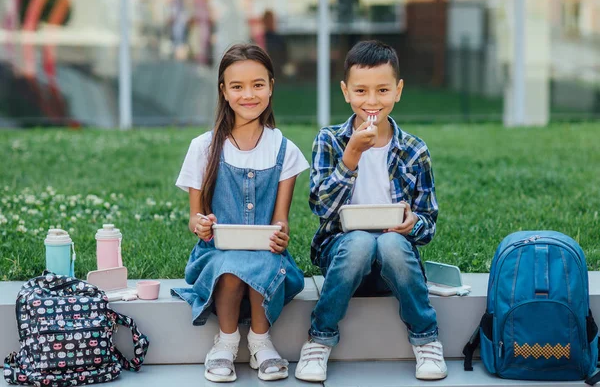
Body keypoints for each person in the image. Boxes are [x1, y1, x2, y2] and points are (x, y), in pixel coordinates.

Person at [295, 40, 447, 382]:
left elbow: (428, 222)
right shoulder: (331, 141)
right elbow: (321, 208)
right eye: (361, 90)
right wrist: (350, 157)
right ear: (346, 92)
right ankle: (319, 339)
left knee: (390, 244)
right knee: (362, 241)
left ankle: (426, 339)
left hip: (395, 262)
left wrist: (411, 224)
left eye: (382, 90)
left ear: (399, 90)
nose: (372, 101)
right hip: (343, 257)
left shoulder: (413, 149)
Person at [172, 43, 309, 383]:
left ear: (271, 87)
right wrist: (201, 224)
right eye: (237, 86)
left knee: (261, 264)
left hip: (266, 253)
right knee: (230, 266)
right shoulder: (203, 147)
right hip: (216, 253)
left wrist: (279, 234)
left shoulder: (284, 150)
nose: (249, 94)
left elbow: (281, 219)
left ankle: (261, 341)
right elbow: (195, 217)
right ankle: (226, 341)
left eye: (258, 84)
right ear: (224, 91)